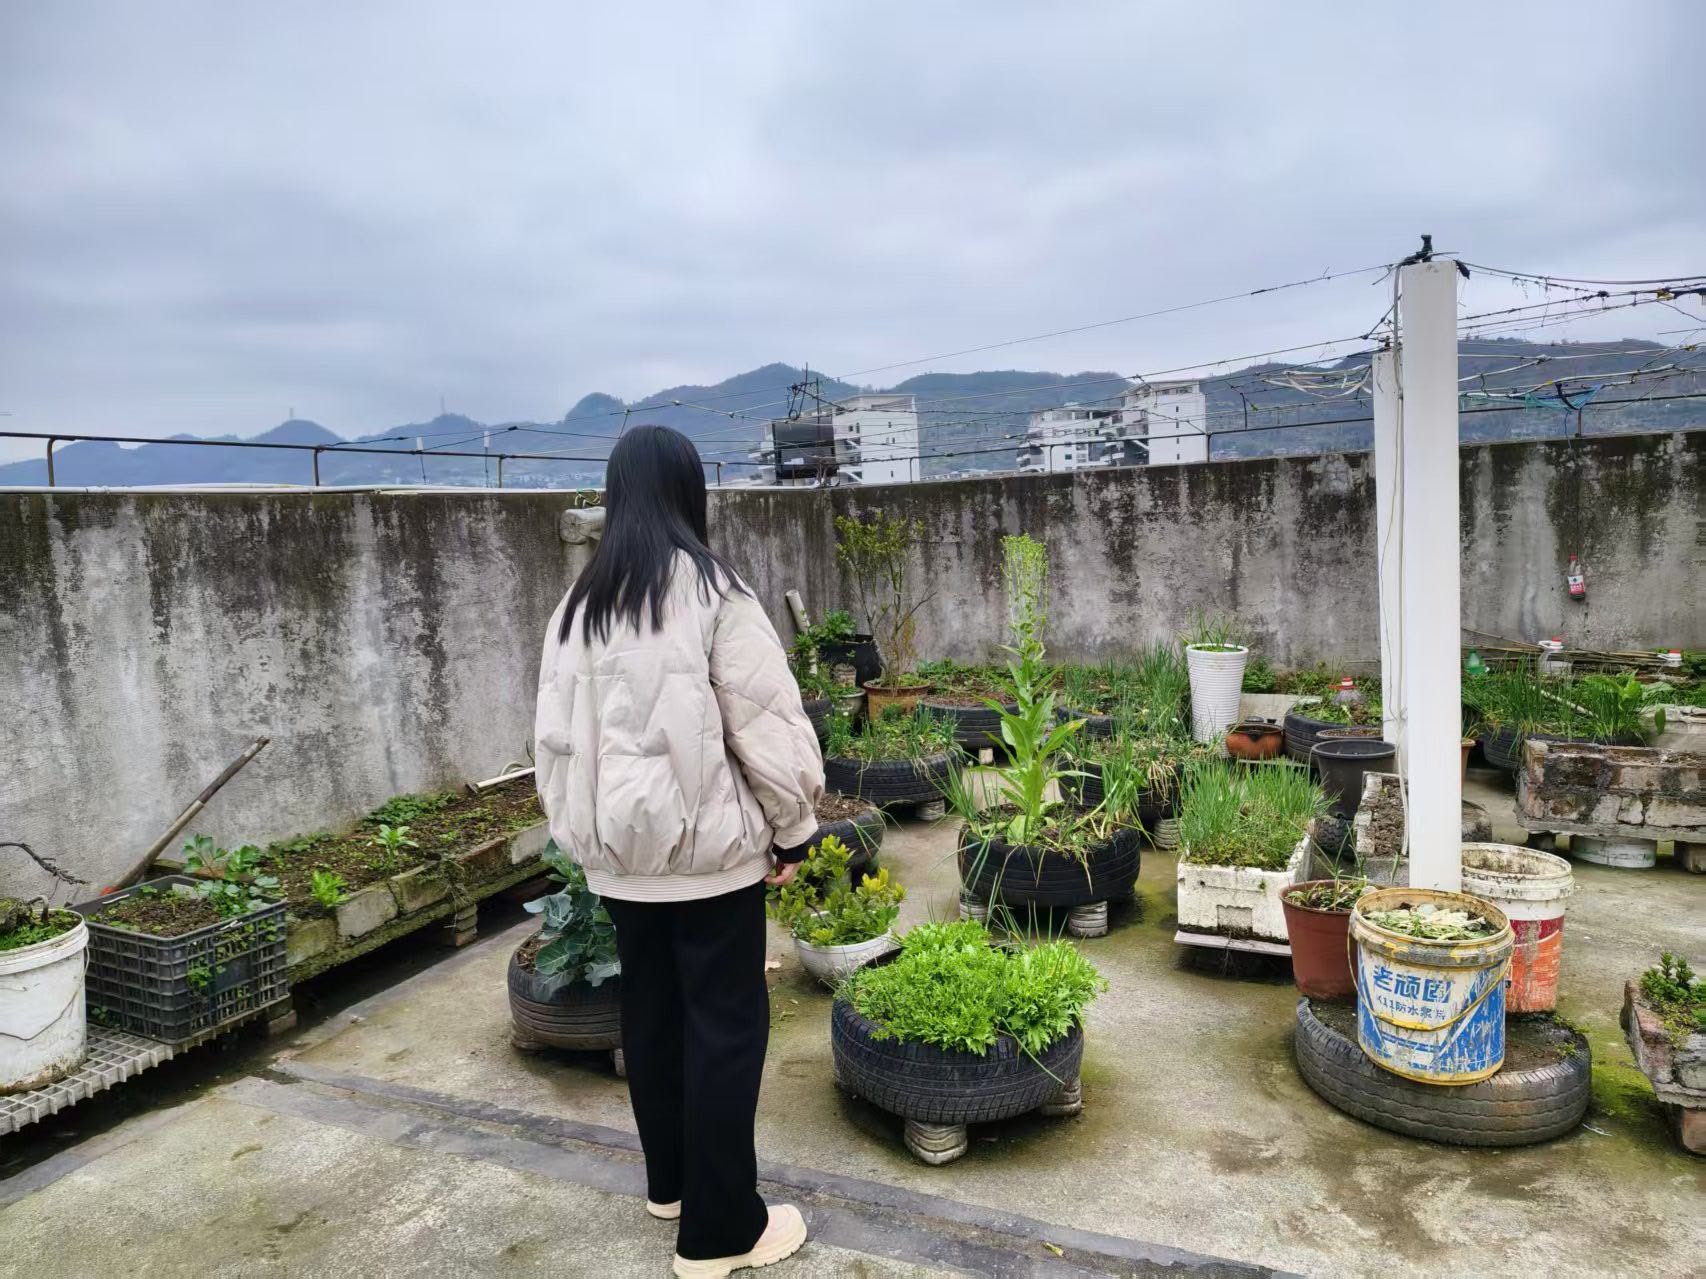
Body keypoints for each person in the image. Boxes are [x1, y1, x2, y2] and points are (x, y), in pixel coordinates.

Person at [534, 425, 824, 1277]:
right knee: (725, 1025)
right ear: (689, 494)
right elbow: (765, 723)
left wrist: (579, 835)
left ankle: (671, 1182)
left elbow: (553, 741)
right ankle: (720, 1229)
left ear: (617, 495)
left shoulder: (577, 608)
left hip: (619, 860)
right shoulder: (714, 591)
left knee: (652, 1012)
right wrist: (795, 825)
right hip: (708, 856)